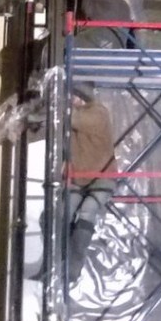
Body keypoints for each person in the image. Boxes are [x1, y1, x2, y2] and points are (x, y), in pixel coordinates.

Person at [67, 83, 117, 284]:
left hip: (102, 178)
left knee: (87, 212)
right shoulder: (76, 114)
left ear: (82, 97)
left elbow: (74, 120)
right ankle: (56, 261)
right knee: (61, 213)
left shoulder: (98, 113)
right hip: (80, 177)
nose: (71, 99)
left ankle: (73, 268)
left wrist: (51, 108)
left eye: (74, 95)